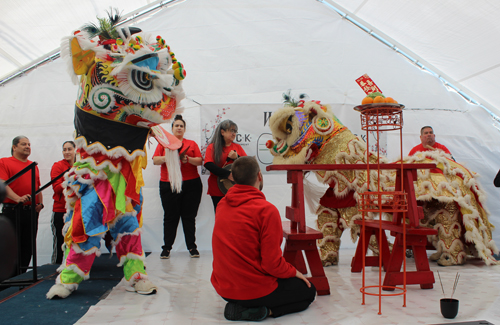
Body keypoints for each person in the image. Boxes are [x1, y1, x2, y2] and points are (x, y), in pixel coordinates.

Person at [211, 156, 316, 321]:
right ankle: (262, 311)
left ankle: (240, 305)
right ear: (259, 176)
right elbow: (271, 264)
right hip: (252, 290)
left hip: (224, 289)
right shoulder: (267, 211)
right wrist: (293, 271)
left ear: (233, 178)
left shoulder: (222, 205)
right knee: (309, 291)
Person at [153, 115, 203, 259]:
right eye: (177, 126)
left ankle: (192, 248)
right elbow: (155, 160)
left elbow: (199, 161)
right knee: (170, 217)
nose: (179, 128)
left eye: (181, 126)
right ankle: (167, 248)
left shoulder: (191, 144)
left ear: (185, 129)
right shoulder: (164, 143)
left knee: (189, 217)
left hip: (191, 184)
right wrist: (170, 158)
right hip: (169, 184)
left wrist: (188, 160)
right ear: (172, 128)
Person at [0, 136, 43, 276]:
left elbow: (37, 187)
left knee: (27, 247)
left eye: (29, 144)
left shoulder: (33, 166)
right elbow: (3, 184)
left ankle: (22, 277)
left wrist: (40, 203)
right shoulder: (4, 162)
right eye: (23, 144)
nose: (27, 146)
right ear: (14, 147)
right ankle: (8, 281)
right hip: (13, 211)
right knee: (11, 248)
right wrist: (17, 199)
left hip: (30, 212)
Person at [204, 120, 247, 211]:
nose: (234, 133)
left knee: (236, 216)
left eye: (235, 131)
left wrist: (237, 157)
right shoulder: (212, 147)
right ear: (222, 132)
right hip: (217, 189)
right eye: (231, 130)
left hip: (236, 190)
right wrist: (228, 174)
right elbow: (208, 164)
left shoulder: (238, 147)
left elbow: (247, 165)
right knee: (221, 217)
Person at [50, 141, 76, 265]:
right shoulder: (58, 166)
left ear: (76, 150)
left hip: (77, 211)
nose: (66, 152)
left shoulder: (80, 165)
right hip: (61, 211)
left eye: (69, 149)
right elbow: (56, 188)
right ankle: (55, 269)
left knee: (76, 243)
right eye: (64, 149)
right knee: (60, 243)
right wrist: (74, 181)